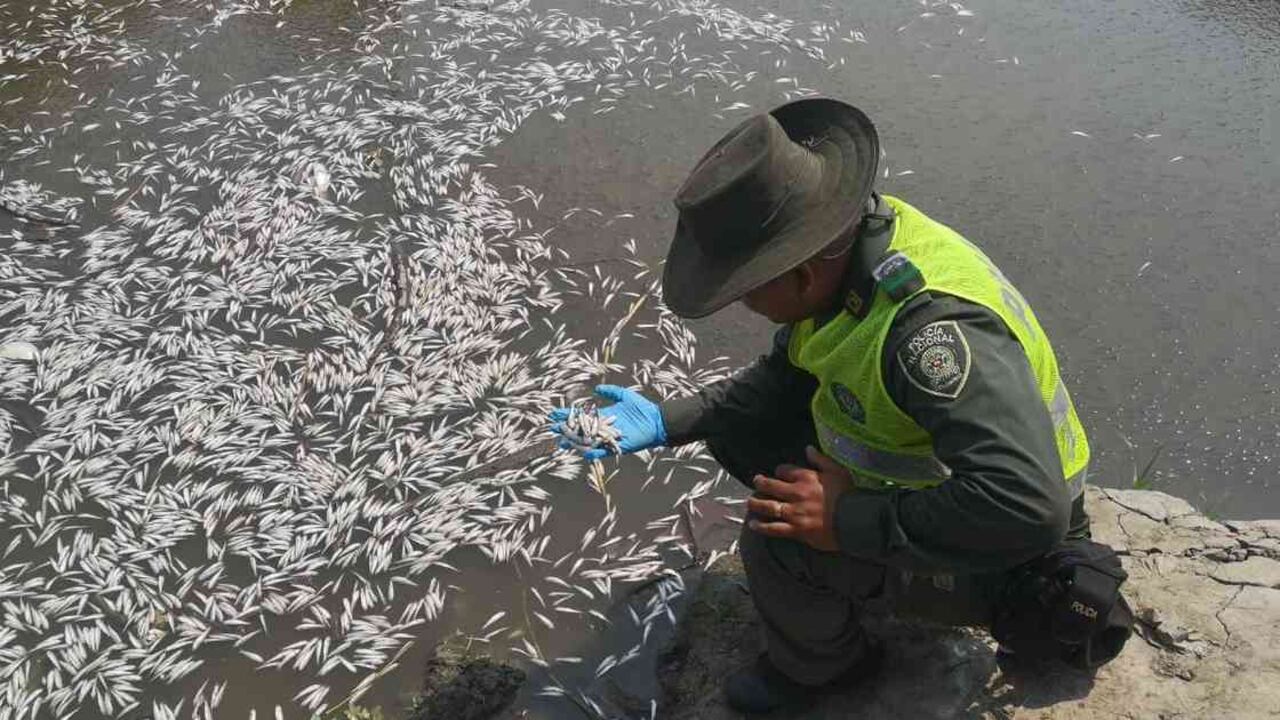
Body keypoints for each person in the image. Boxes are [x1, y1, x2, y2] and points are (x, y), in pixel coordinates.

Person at [550, 98, 1095, 714]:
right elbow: (783, 379)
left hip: (1009, 544)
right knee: (743, 430)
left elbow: (1028, 508)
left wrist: (846, 519)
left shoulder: (929, 336)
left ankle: (827, 671)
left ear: (802, 273)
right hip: (947, 486)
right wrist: (667, 420)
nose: (743, 306)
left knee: (774, 535)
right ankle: (857, 578)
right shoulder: (857, 252)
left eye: (747, 291)